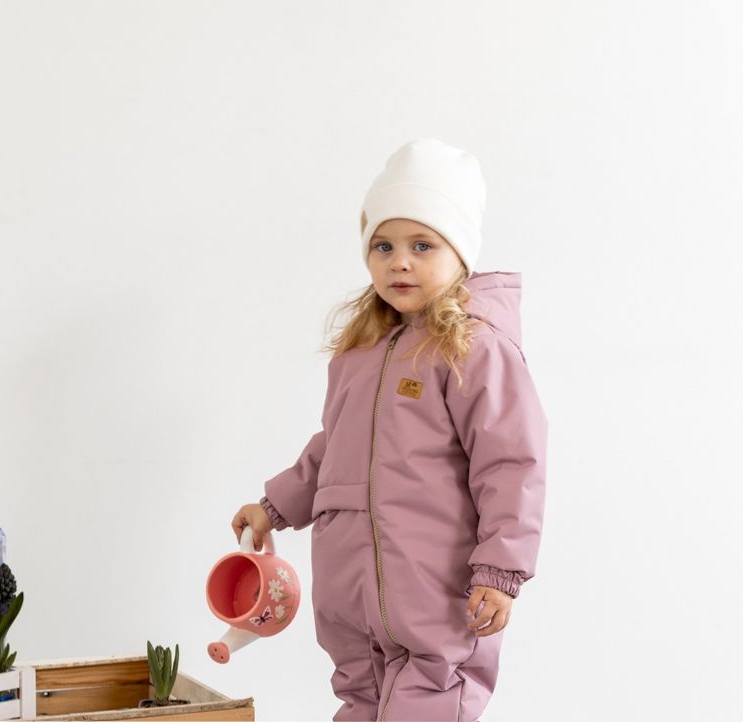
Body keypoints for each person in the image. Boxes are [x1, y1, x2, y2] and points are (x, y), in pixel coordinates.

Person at [231, 137, 548, 722]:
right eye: (383, 245)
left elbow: (511, 463)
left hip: (432, 590)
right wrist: (275, 506)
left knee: (426, 702)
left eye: (422, 244)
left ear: (460, 253)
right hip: (349, 590)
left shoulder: (474, 349)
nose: (399, 261)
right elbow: (333, 446)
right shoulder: (361, 351)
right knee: (360, 701)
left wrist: (501, 569)